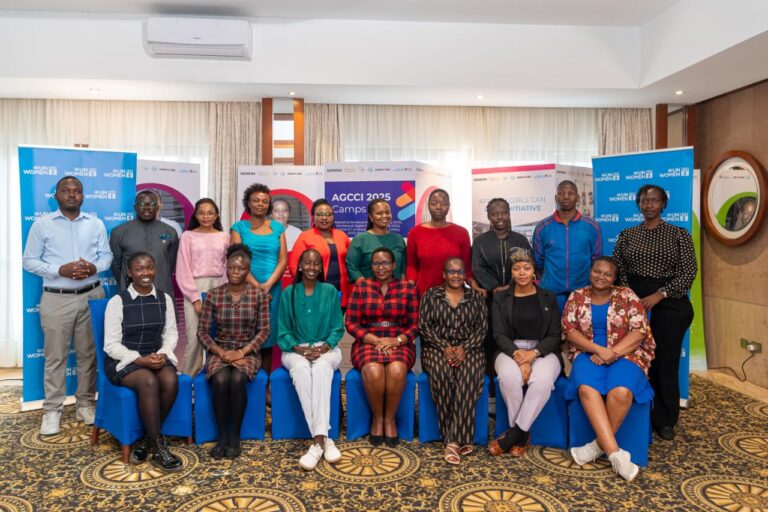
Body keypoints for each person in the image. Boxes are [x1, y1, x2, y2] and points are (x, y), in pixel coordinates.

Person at [22, 176, 112, 435]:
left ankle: (85, 404)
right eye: (66, 191)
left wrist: (95, 267)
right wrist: (58, 269)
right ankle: (52, 410)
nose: (72, 195)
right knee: (56, 356)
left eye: (77, 191)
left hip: (92, 296)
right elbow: (29, 261)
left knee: (88, 355)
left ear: (83, 196)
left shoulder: (95, 224)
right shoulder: (42, 224)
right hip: (56, 297)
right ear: (56, 196)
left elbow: (107, 256)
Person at [612, 184, 697, 441]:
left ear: (663, 204)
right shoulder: (627, 234)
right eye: (644, 201)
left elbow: (688, 272)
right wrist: (631, 297)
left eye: (654, 200)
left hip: (669, 303)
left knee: (664, 363)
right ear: (638, 204)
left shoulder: (678, 234)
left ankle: (666, 418)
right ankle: (639, 414)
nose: (649, 205)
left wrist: (659, 295)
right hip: (633, 302)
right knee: (634, 360)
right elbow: (618, 268)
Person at [562, 256, 655, 482]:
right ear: (590, 271)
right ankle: (615, 453)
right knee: (586, 389)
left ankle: (596, 447)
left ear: (615, 278)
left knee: (621, 392)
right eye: (597, 271)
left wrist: (611, 353)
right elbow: (570, 331)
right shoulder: (577, 296)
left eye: (607, 274)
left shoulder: (627, 296)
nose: (601, 277)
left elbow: (639, 332)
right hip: (587, 353)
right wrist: (597, 349)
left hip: (626, 352)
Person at [103, 252, 182, 471]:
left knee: (170, 380)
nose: (145, 273)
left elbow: (171, 334)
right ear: (129, 272)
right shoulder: (117, 302)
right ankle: (159, 448)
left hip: (156, 355)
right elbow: (111, 345)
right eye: (139, 269)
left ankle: (147, 439)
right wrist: (139, 359)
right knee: (148, 381)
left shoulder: (164, 298)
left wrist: (164, 353)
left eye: (149, 267)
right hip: (124, 359)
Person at [198, 244, 270, 459]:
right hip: (219, 350)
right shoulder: (214, 295)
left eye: (241, 269)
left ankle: (235, 436)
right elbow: (202, 331)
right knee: (220, 380)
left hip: (247, 352)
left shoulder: (259, 295)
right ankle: (222, 436)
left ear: (248, 270)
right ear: (226, 268)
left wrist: (243, 352)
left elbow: (264, 331)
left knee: (237, 379)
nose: (236, 272)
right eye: (232, 268)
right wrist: (220, 352)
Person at [489, 248, 562, 457]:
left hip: (543, 350)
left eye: (526, 268)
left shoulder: (548, 298)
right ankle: (522, 435)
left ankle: (515, 434)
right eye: (517, 268)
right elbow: (499, 333)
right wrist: (520, 357)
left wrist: (533, 354)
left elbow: (555, 335)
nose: (522, 273)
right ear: (511, 272)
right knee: (509, 379)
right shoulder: (501, 298)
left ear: (534, 272)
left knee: (542, 381)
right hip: (509, 349)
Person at [278, 249, 345, 470]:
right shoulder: (289, 293)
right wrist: (299, 350)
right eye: (307, 263)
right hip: (296, 349)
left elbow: (337, 328)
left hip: (326, 348)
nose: (312, 267)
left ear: (321, 268)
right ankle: (324, 440)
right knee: (300, 371)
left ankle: (317, 443)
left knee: (322, 369)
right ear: (299, 266)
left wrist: (324, 348)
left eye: (316, 264)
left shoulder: (329, 291)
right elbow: (283, 330)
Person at [345, 247, 419, 447]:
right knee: (373, 370)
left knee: (396, 369)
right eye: (377, 263)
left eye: (386, 262)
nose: (381, 267)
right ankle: (378, 418)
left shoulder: (407, 288)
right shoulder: (361, 287)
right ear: (371, 266)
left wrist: (398, 341)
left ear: (394, 265)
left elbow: (416, 324)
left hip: (399, 340)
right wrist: (372, 339)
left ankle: (390, 419)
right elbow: (350, 322)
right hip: (368, 340)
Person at [419, 257, 487, 464]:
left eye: (459, 272)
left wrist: (464, 348)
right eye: (451, 272)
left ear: (465, 274)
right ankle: (461, 437)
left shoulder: (476, 297)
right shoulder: (431, 294)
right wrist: (444, 347)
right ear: (444, 274)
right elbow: (424, 326)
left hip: (471, 348)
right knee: (443, 374)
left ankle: (451, 441)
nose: (455, 275)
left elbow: (482, 329)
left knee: (469, 376)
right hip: (436, 348)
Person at [472, 197, 533, 375]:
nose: (499, 217)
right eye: (494, 214)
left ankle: (520, 372)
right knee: (491, 338)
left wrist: (512, 286)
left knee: (516, 337)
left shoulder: (519, 240)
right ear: (489, 216)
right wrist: (494, 287)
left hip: (519, 296)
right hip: (490, 299)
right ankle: (492, 381)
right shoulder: (480, 241)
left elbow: (525, 265)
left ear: (509, 214)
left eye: (503, 213)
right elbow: (477, 267)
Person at [230, 183, 288, 371]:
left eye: (265, 201)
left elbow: (283, 260)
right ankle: (248, 379)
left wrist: (268, 285)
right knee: (246, 332)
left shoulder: (278, 228)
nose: (260, 204)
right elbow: (237, 259)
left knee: (267, 337)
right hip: (244, 287)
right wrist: (257, 286)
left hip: (273, 288)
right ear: (248, 203)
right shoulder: (238, 227)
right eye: (256, 200)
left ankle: (266, 384)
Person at [175, 198, 229, 376]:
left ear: (217, 215)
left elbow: (228, 268)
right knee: (194, 337)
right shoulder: (187, 236)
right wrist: (195, 298)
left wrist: (223, 294)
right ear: (196, 215)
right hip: (194, 287)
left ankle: (215, 376)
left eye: (210, 213)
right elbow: (183, 269)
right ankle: (189, 380)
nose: (206, 216)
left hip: (219, 287)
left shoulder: (224, 237)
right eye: (201, 212)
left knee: (219, 335)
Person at [532, 180, 602, 311]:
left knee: (580, 330)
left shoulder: (592, 226)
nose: (566, 197)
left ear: (577, 197)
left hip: (582, 291)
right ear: (556, 197)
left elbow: (596, 260)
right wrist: (552, 280)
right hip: (550, 292)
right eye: (561, 193)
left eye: (570, 193)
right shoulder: (543, 226)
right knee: (552, 331)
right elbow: (538, 261)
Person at [406, 189, 477, 297]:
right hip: (424, 295)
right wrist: (410, 287)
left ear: (449, 206)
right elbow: (412, 266)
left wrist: (474, 286)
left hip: (455, 296)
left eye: (443, 204)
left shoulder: (461, 233)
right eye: (434, 203)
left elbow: (466, 267)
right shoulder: (415, 233)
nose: (438, 207)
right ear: (428, 205)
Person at [110, 190, 179, 294]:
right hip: (130, 292)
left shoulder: (170, 232)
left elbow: (169, 264)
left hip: (162, 290)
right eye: (141, 204)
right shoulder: (119, 232)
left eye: (152, 204)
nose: (146, 207)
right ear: (135, 207)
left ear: (158, 207)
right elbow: (116, 266)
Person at [288, 199, 352, 307]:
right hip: (314, 291)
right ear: (313, 217)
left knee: (337, 322)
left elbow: (351, 262)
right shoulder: (305, 236)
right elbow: (294, 267)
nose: (324, 218)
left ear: (333, 217)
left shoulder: (342, 235)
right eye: (320, 214)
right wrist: (308, 287)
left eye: (328, 214)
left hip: (341, 292)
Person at [346, 199, 406, 283]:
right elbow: (351, 266)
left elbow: (403, 268)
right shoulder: (360, 239)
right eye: (379, 213)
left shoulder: (399, 239)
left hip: (396, 292)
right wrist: (364, 286)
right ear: (371, 217)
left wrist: (402, 288)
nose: (385, 215)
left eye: (387, 212)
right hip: (369, 292)